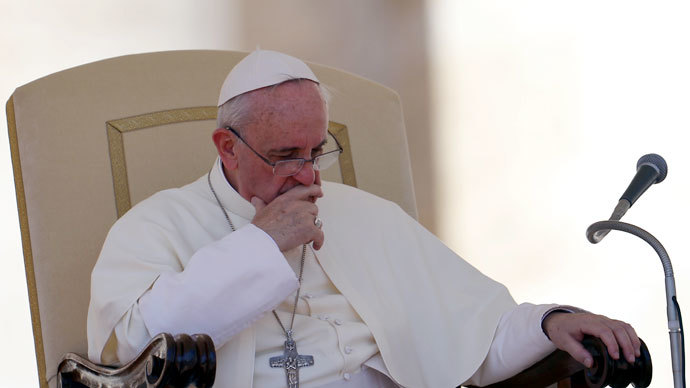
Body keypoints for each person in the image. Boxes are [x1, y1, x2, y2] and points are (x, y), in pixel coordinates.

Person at [87, 50, 641, 387]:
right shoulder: (155, 227)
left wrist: (550, 323)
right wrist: (260, 245)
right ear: (227, 148)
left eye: (317, 151)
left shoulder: (366, 216)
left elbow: (474, 332)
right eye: (285, 156)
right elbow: (132, 350)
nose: (308, 177)